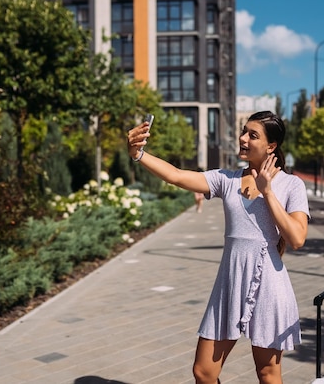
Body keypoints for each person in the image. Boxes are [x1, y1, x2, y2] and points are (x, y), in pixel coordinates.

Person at [126, 111, 309, 384]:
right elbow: (177, 176)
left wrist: (268, 191)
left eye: (252, 135)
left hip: (269, 285)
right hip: (230, 282)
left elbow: (296, 238)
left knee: (268, 373)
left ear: (271, 146)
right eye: (244, 131)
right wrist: (138, 154)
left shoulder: (292, 185)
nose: (243, 138)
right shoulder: (227, 179)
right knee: (204, 371)